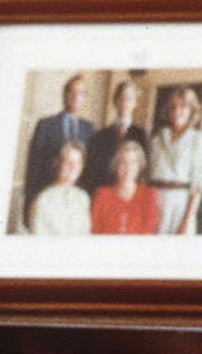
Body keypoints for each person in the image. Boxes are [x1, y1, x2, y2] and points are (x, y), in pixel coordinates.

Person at [148, 84, 202, 235]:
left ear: (191, 110)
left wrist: (188, 218)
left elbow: (198, 183)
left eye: (183, 106)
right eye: (173, 107)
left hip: (180, 203)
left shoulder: (198, 139)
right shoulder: (157, 138)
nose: (177, 111)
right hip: (155, 200)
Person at [23, 73, 94, 207]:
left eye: (80, 93)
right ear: (64, 95)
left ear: (85, 98)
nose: (75, 97)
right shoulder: (45, 125)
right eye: (71, 92)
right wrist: (30, 200)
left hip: (75, 200)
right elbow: (33, 166)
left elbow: (90, 169)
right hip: (47, 197)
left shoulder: (89, 129)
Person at [82, 78, 149, 192]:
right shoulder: (99, 136)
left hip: (130, 193)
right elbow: (91, 171)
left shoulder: (142, 135)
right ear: (115, 101)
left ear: (135, 103)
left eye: (129, 99)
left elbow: (144, 171)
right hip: (105, 193)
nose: (125, 103)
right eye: (121, 98)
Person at [91, 137, 162, 235]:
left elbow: (149, 231)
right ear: (115, 165)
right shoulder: (102, 194)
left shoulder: (149, 195)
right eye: (123, 162)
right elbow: (95, 231)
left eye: (133, 163)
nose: (128, 168)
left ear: (139, 166)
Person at [25, 135, 91, 237]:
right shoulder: (43, 199)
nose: (73, 167)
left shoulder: (82, 197)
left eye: (77, 163)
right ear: (58, 164)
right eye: (68, 162)